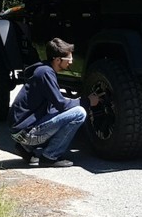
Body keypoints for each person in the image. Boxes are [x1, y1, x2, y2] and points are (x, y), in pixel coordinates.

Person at [9, 38, 101, 167]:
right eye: (69, 59)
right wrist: (87, 101)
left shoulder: (43, 70)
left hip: (21, 132)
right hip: (26, 133)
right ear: (57, 60)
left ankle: (25, 148)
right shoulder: (46, 73)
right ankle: (50, 156)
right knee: (79, 113)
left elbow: (55, 106)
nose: (71, 61)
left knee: (66, 111)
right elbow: (61, 104)